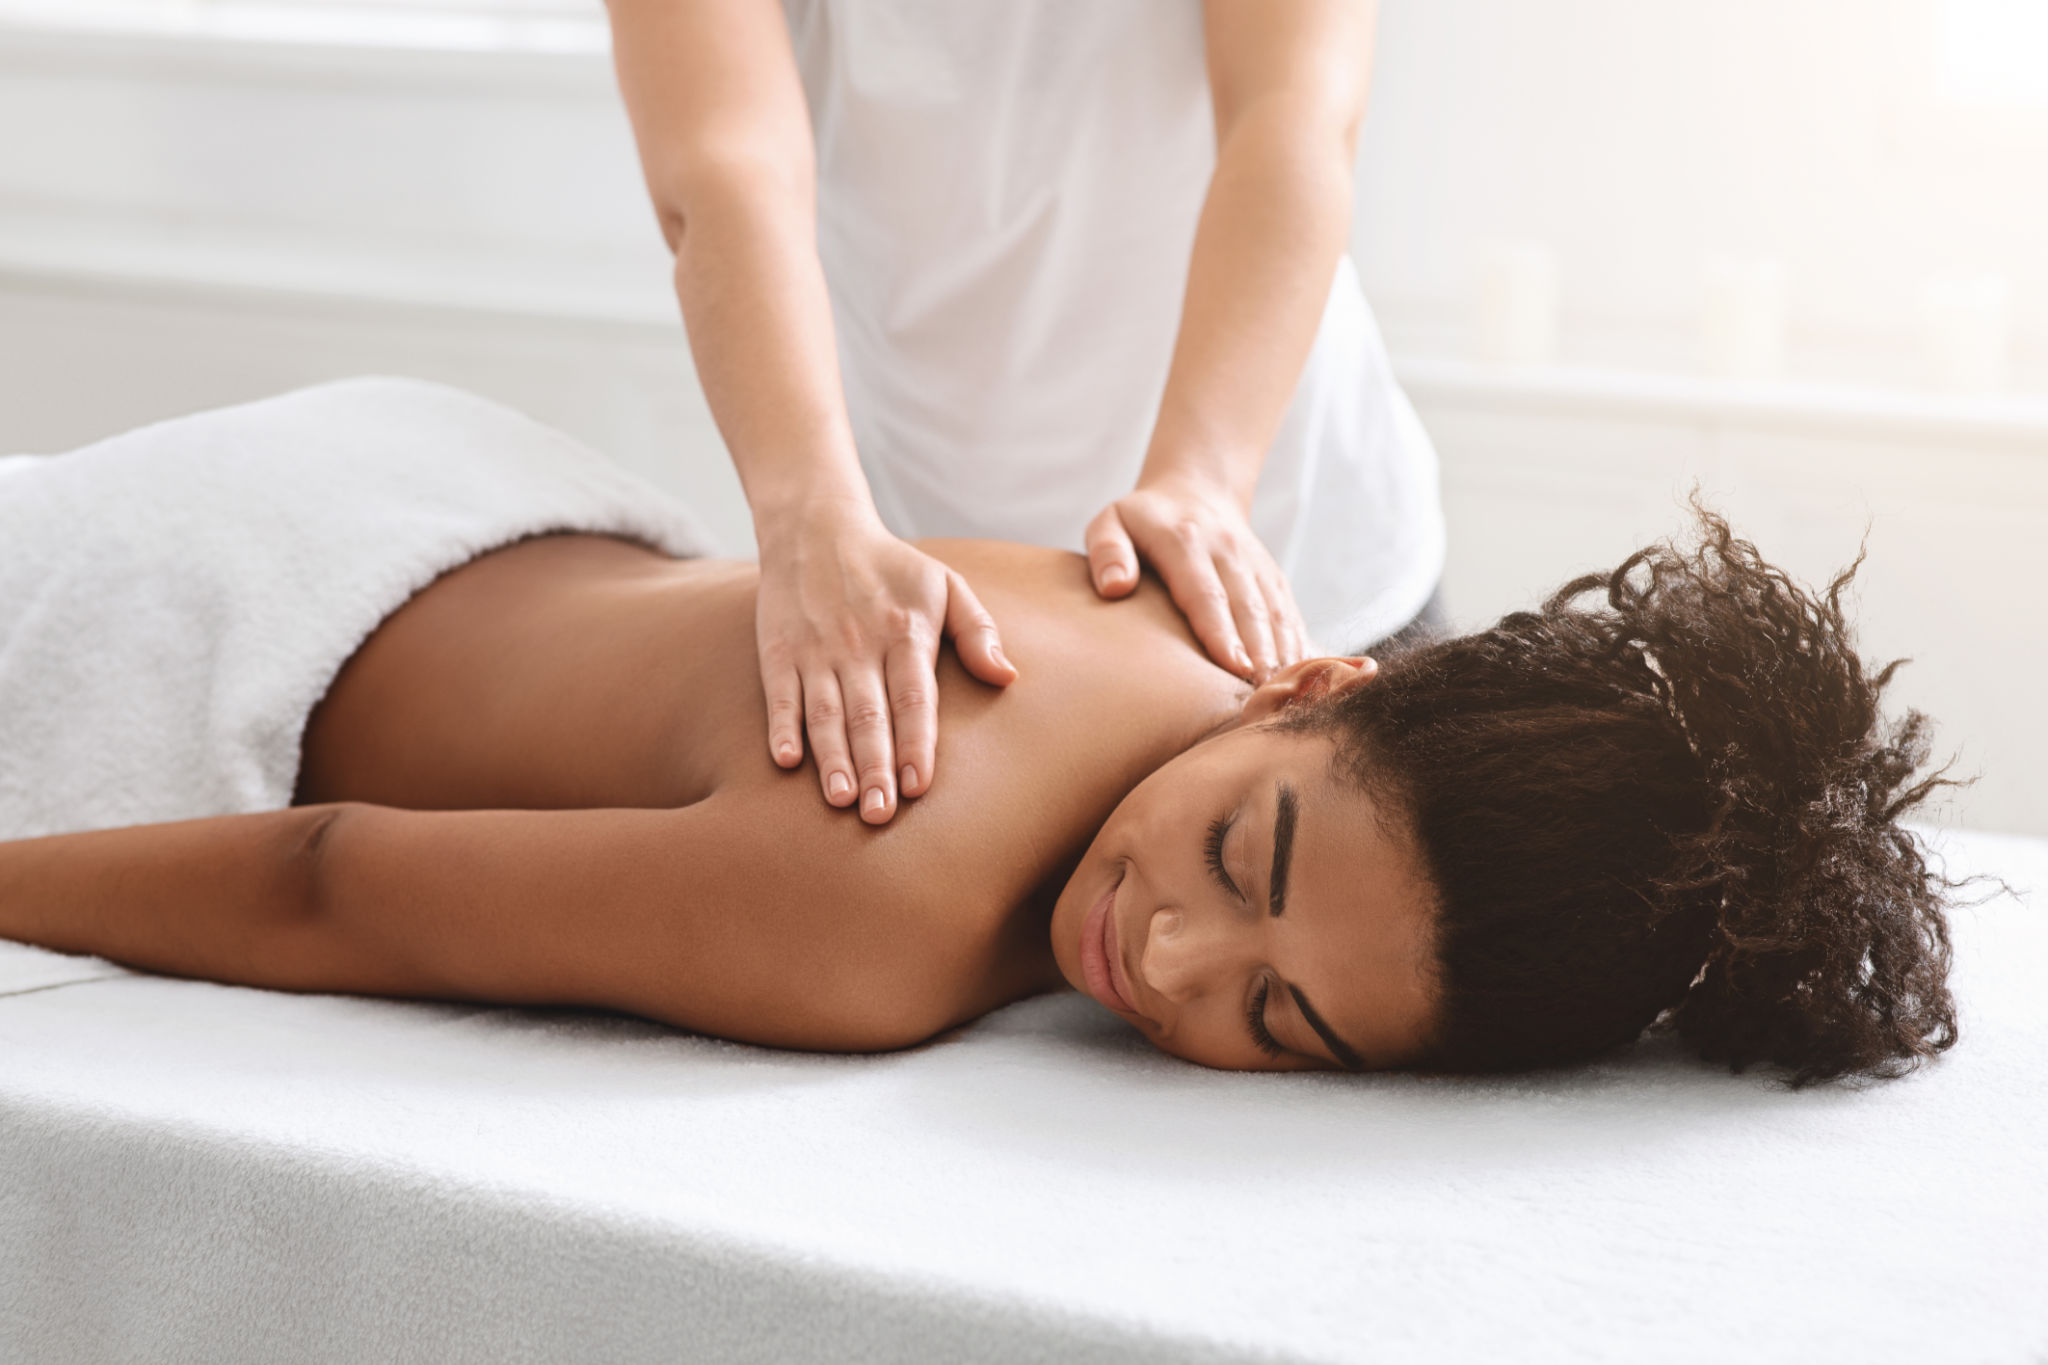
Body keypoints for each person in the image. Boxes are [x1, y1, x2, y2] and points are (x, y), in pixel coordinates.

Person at [0, 384, 1952, 1083]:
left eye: (1278, 1019)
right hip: (231, 603)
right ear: (1321, 675)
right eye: (1239, 855)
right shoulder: (871, 912)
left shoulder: (1174, 608)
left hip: (463, 477)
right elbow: (326, 876)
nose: (1166, 958)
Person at [605, 0, 1445, 826]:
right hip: (946, 611)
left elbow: (1294, 114)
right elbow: (725, 168)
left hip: (1291, 552)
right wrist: (806, 514)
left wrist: (1205, 478)